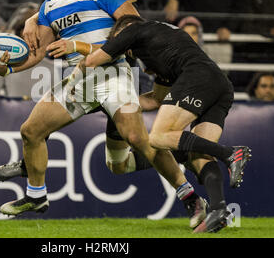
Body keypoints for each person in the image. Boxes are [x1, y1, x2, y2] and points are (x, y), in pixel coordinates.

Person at [0, 0, 207, 229]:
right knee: (31, 131)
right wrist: (6, 67)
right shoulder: (49, 5)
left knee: (137, 139)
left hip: (113, 76)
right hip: (78, 80)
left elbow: (133, 30)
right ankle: (36, 195)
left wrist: (79, 45)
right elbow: (36, 54)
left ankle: (191, 197)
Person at [79, 14, 252, 233]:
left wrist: (73, 46)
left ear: (122, 33)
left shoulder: (133, 30)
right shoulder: (163, 50)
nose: (125, 51)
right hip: (220, 85)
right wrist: (117, 103)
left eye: (120, 44)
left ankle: (229, 153)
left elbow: (93, 60)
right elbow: (155, 100)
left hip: (196, 77)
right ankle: (219, 210)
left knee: (159, 137)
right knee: (197, 155)